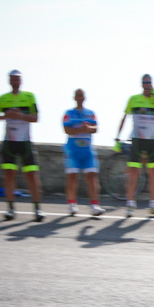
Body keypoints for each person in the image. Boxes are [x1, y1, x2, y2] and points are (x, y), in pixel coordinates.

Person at [0, 69, 43, 222]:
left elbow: (36, 118)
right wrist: (6, 115)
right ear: (9, 81)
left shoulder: (29, 96)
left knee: (32, 176)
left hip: (26, 142)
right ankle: (10, 209)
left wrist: (20, 115)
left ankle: (38, 209)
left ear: (21, 81)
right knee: (9, 176)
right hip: (9, 143)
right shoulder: (2, 98)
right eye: (13, 79)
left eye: (17, 79)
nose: (15, 82)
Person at [116, 74, 154, 218]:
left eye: (149, 82)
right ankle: (130, 204)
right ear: (141, 84)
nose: (147, 85)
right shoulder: (133, 99)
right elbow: (124, 118)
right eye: (145, 82)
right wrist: (118, 136)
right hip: (137, 140)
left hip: (152, 141)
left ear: (152, 84)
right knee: (133, 172)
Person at [62, 89, 105, 217]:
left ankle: (94, 205)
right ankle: (72, 204)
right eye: (78, 95)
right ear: (74, 97)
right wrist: (80, 129)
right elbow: (66, 129)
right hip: (72, 150)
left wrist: (88, 128)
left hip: (87, 150)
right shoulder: (68, 113)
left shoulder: (91, 113)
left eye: (82, 95)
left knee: (92, 177)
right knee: (72, 177)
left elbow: (96, 128)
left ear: (84, 97)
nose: (80, 97)